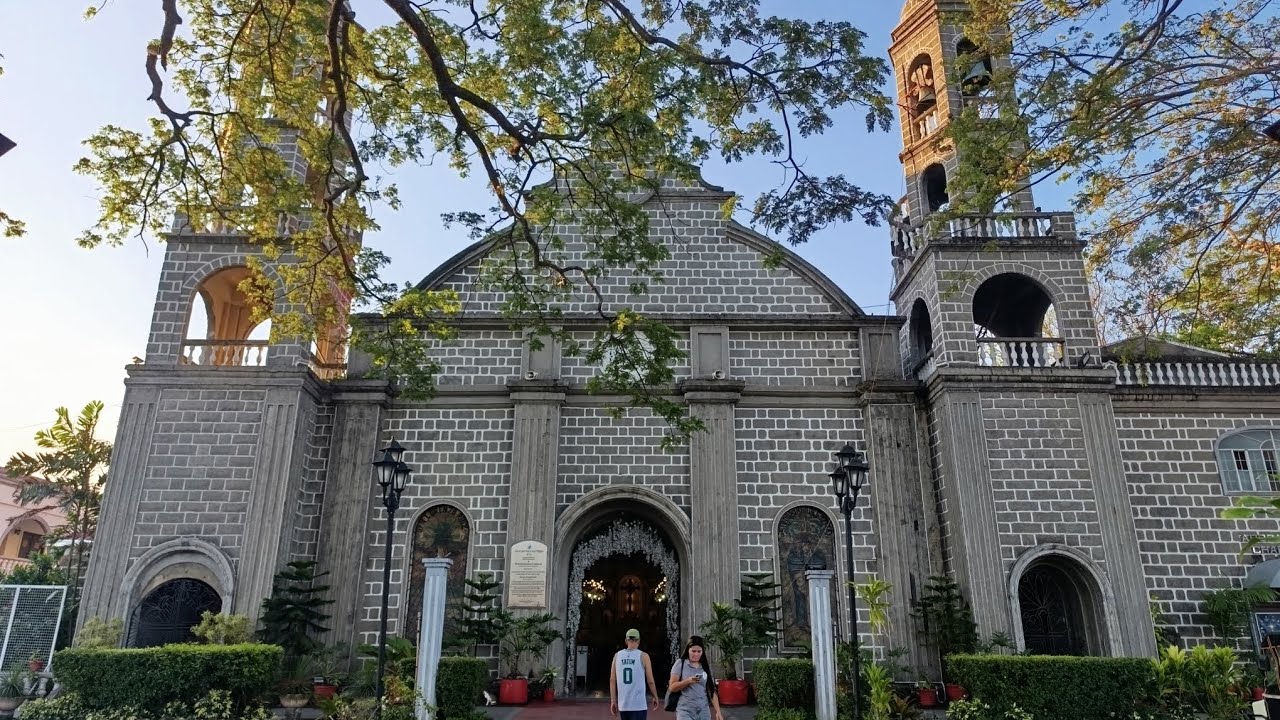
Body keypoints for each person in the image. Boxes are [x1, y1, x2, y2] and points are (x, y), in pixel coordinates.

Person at [668, 636, 723, 720]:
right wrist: (687, 681)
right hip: (685, 710)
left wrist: (718, 712)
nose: (696, 654)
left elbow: (711, 690)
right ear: (688, 650)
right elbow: (672, 687)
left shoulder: (705, 666)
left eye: (699, 651)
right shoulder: (680, 663)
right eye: (693, 651)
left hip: (703, 710)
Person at [610, 628, 660, 719]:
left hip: (623, 704)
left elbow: (612, 680)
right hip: (638, 704)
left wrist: (613, 701)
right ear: (639, 641)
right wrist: (655, 696)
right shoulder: (644, 656)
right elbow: (650, 681)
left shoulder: (617, 655)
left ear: (626, 641)